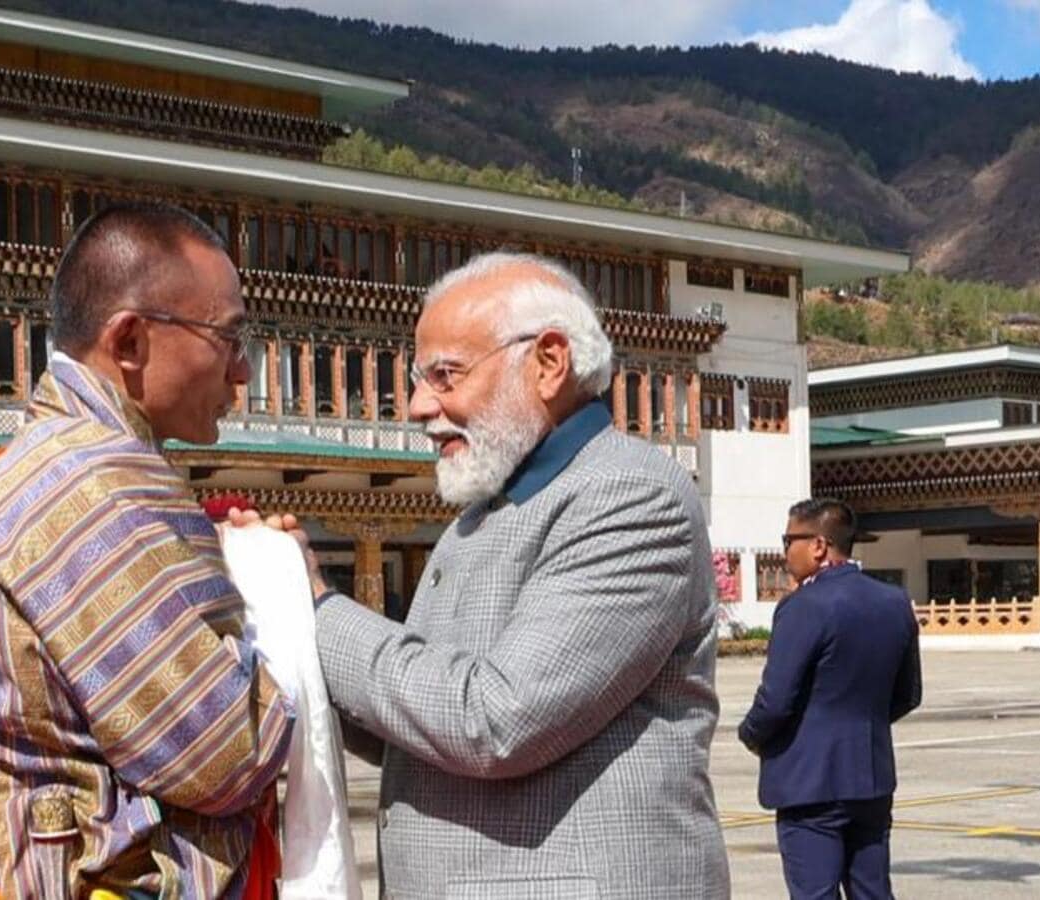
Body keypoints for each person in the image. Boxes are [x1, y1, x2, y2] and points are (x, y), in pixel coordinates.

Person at [262, 252, 730, 898]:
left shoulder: (626, 496)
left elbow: (494, 721)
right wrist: (275, 610)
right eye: (417, 380)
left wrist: (320, 609)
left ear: (548, 362)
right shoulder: (486, 511)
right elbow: (420, 721)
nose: (420, 406)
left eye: (445, 375)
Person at [0, 203, 293, 899]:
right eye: (228, 337)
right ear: (132, 340)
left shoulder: (54, 463)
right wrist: (282, 601)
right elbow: (226, 753)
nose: (242, 370)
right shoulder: (93, 486)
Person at [738, 498, 922, 900]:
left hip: (810, 783)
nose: (786, 551)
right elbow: (909, 694)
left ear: (819, 546)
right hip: (871, 778)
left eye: (789, 540)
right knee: (873, 892)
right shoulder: (894, 602)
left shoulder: (804, 606)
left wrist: (751, 735)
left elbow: (775, 701)